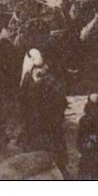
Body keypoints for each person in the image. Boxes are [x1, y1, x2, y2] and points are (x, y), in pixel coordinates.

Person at [18, 49, 69, 177]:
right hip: (34, 126)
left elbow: (61, 102)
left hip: (47, 126)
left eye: (39, 67)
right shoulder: (27, 79)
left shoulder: (49, 80)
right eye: (35, 68)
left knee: (52, 159)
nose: (37, 70)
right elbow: (22, 103)